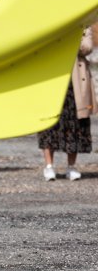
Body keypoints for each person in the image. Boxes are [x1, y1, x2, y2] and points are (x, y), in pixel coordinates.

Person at [38, 27, 96, 181]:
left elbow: (87, 47)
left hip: (75, 84)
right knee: (49, 124)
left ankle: (71, 166)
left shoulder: (84, 26)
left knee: (75, 124)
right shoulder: (51, 23)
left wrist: (69, 39)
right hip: (52, 81)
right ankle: (49, 166)